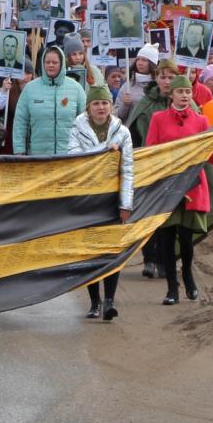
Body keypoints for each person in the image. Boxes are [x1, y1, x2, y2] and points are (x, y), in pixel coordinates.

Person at [145, 74, 213, 304]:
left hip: (192, 186)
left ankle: (188, 277)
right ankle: (171, 289)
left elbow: (211, 157)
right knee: (166, 239)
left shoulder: (201, 121)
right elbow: (151, 150)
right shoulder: (158, 118)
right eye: (180, 92)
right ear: (171, 95)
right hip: (167, 186)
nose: (185, 96)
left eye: (188, 92)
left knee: (186, 240)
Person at [68, 84, 133, 320]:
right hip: (87, 198)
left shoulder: (123, 132)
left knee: (111, 250)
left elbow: (128, 169)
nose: (101, 107)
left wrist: (125, 204)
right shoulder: (77, 128)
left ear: (112, 106)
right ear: (88, 106)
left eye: (105, 103)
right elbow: (75, 159)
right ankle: (94, 302)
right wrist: (104, 149)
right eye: (96, 103)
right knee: (90, 252)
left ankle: (109, 301)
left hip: (112, 199)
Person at [11, 46, 87, 156]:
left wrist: (85, 149)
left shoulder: (76, 88)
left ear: (62, 64)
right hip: (39, 156)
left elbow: (85, 121)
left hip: (69, 156)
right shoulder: (30, 89)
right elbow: (20, 122)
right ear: (43, 64)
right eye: (47, 62)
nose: (50, 65)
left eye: (55, 62)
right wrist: (19, 150)